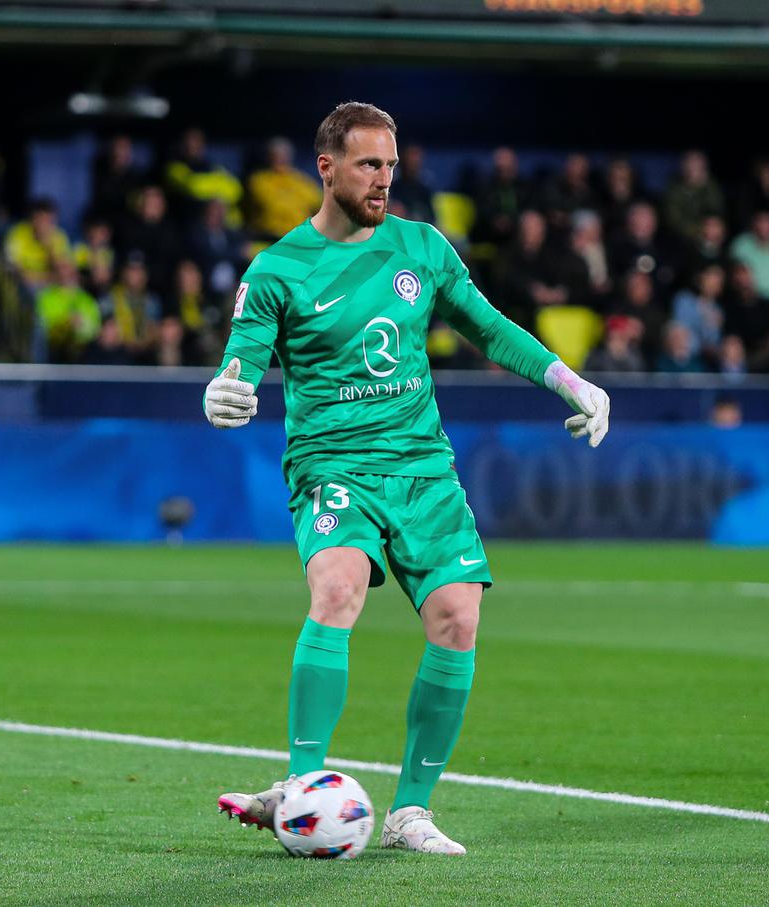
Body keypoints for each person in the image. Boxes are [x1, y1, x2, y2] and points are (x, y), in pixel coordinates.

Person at [206, 102, 611, 856]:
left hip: (422, 464)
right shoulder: (279, 268)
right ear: (325, 168)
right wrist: (223, 387)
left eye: (391, 164)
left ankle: (409, 812)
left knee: (458, 616)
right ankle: (303, 790)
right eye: (368, 164)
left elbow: (488, 327)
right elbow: (243, 355)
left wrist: (570, 380)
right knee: (337, 590)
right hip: (333, 465)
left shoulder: (422, 248)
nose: (384, 178)